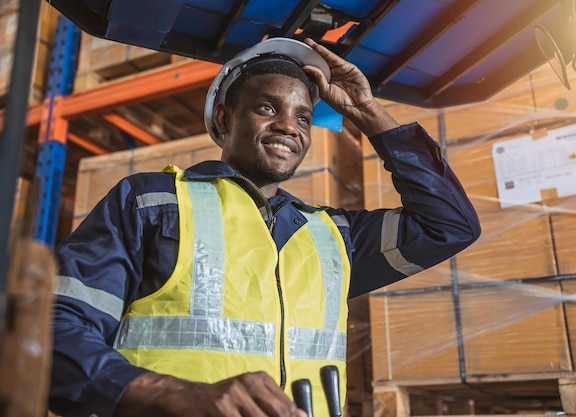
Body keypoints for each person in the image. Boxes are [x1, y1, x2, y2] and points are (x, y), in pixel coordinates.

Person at [49, 37, 481, 417]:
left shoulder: (331, 236)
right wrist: (173, 395)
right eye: (267, 107)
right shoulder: (153, 203)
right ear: (223, 119)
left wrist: (367, 111)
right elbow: (54, 327)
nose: (288, 126)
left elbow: (449, 224)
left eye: (304, 117)